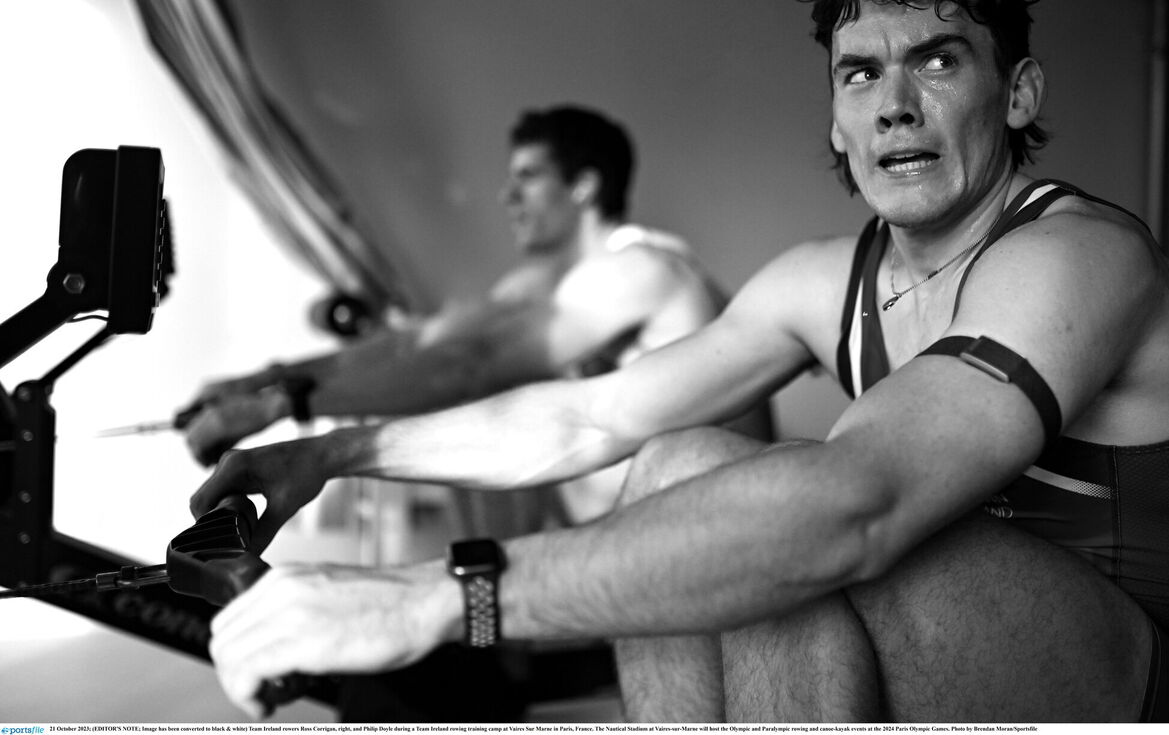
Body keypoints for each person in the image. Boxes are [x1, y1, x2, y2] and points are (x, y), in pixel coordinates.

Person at [194, 0, 1169, 723]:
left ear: (1018, 93)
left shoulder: (1078, 256)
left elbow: (859, 503)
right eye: (860, 72)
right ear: (835, 122)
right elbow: (587, 420)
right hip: (957, 658)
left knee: (796, 509)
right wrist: (329, 451)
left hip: (1141, 688)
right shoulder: (818, 281)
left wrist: (433, 597)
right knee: (677, 459)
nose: (894, 103)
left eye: (938, 62)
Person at [180, 104, 774, 528]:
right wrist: (259, 384)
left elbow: (473, 364)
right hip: (624, 535)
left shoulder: (641, 269)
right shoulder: (544, 285)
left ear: (585, 187)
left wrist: (285, 407)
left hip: (715, 529)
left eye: (528, 177)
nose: (506, 196)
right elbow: (416, 345)